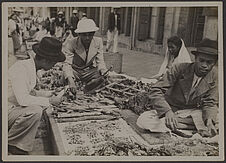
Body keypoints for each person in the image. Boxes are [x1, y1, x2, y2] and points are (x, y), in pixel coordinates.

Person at [136, 38, 218, 138]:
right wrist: (167, 112)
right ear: (195, 58)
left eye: (209, 62)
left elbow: (210, 102)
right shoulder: (179, 68)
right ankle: (191, 126)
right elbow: (156, 90)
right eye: (201, 60)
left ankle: (180, 125)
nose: (204, 65)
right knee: (143, 120)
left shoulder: (215, 76)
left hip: (192, 111)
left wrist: (209, 121)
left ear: (214, 63)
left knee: (216, 118)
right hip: (173, 108)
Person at [8, 37, 66, 155]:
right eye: (53, 63)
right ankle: (14, 144)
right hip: (7, 110)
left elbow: (30, 93)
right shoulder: (21, 68)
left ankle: (18, 138)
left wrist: (48, 94)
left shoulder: (30, 67)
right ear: (46, 60)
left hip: (12, 108)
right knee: (35, 110)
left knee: (39, 105)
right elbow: (23, 99)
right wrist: (50, 100)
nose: (54, 66)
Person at [62, 19, 109, 94]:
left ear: (94, 33)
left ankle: (88, 88)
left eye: (90, 34)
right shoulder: (71, 43)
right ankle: (76, 85)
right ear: (79, 34)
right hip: (76, 71)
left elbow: (100, 61)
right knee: (65, 75)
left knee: (102, 77)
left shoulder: (98, 41)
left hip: (89, 72)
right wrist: (70, 80)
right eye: (84, 35)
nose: (87, 38)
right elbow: (67, 63)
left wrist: (103, 70)